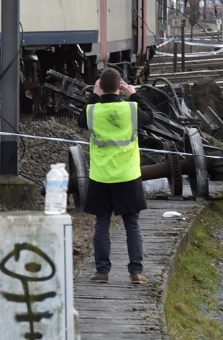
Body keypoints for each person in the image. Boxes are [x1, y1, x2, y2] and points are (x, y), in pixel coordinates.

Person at [77, 67, 154, 285]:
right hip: (128, 175)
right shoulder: (131, 109)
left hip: (101, 176)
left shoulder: (92, 111)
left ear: (100, 86)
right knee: (132, 224)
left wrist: (94, 95)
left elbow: (80, 120)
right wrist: (134, 94)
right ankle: (136, 272)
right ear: (120, 88)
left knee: (102, 223)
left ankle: (102, 271)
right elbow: (151, 117)